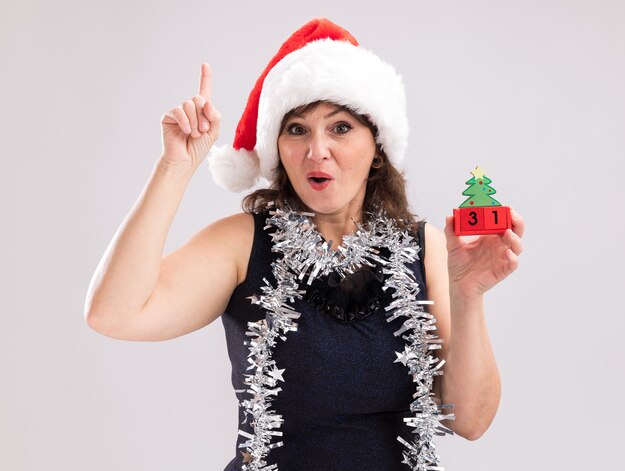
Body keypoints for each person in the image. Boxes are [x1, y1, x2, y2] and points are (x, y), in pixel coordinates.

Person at [85, 18, 525, 471]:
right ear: (277, 146)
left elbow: (469, 421)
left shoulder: (425, 248)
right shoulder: (242, 243)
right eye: (297, 129)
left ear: (376, 146)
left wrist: (467, 296)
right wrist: (174, 166)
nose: (317, 150)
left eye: (340, 128)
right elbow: (113, 313)